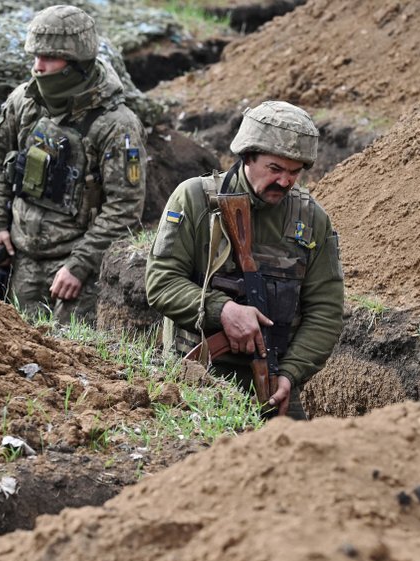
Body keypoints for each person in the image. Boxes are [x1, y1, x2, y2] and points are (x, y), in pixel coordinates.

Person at [145, 101, 344, 419]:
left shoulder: (312, 220)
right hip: (194, 377)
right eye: (275, 169)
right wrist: (221, 309)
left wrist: (290, 375)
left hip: (273, 384)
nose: (285, 181)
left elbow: (326, 311)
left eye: (294, 172)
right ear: (246, 156)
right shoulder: (195, 199)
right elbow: (161, 282)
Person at [0, 4, 146, 323]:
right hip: (21, 260)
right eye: (35, 57)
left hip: (78, 270)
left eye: (48, 58)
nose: (38, 67)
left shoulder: (116, 125)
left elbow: (125, 206)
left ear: (76, 64)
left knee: (69, 361)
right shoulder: (23, 102)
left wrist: (79, 265)